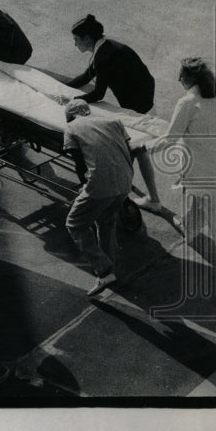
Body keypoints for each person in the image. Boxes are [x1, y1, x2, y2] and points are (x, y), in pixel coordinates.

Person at [156, 57, 216, 288]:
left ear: (191, 78)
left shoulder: (187, 102)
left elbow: (171, 138)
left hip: (200, 172)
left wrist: (142, 146)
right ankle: (191, 229)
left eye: (182, 76)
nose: (178, 79)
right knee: (201, 205)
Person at [63, 14, 165, 213]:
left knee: (129, 152)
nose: (75, 45)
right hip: (143, 96)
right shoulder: (106, 46)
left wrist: (72, 101)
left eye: (76, 40)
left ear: (87, 39)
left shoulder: (103, 56)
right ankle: (151, 197)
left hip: (137, 106)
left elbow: (98, 93)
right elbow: (88, 75)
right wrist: (63, 87)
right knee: (137, 152)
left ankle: (127, 197)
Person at [62, 99, 134, 297]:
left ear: (70, 116)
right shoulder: (113, 122)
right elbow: (129, 150)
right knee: (106, 222)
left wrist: (85, 187)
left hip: (100, 185)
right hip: (125, 180)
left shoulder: (71, 127)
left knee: (75, 224)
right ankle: (110, 270)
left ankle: (103, 269)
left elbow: (79, 164)